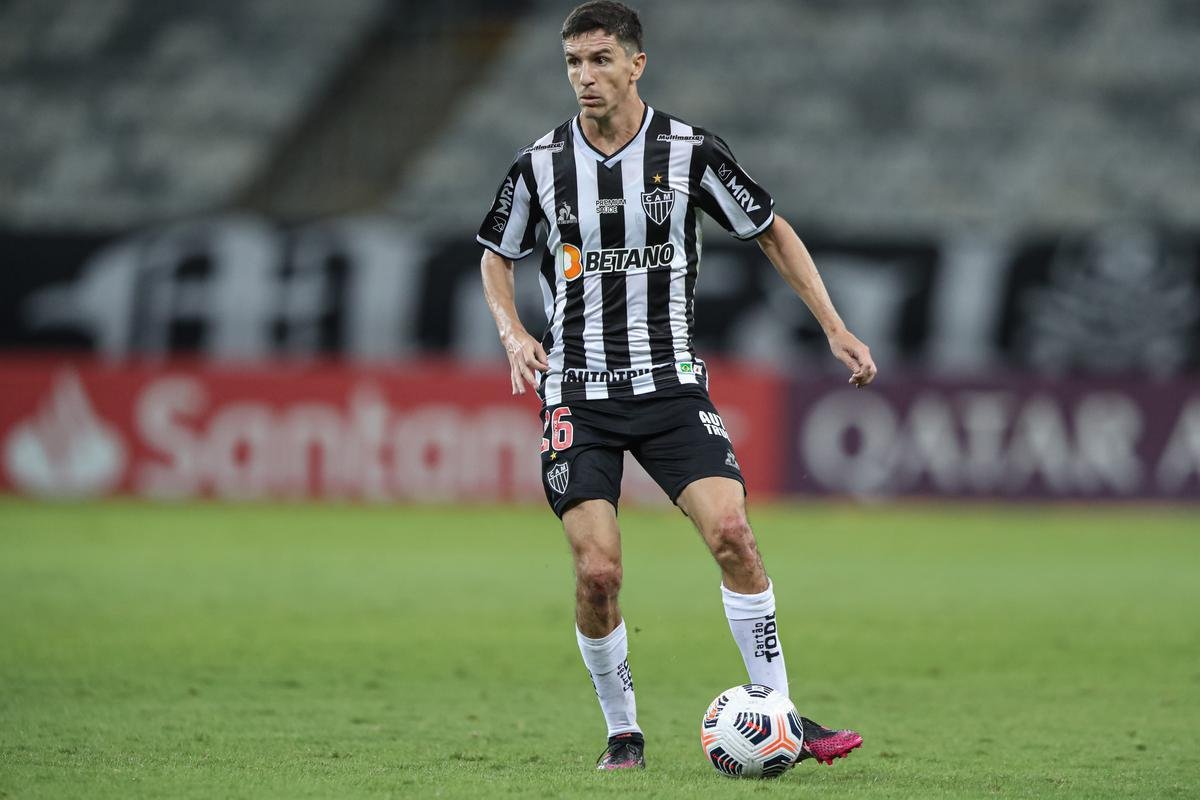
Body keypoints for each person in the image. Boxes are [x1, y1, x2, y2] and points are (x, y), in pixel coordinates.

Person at [477, 0, 876, 772]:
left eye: (599, 60)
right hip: (577, 392)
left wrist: (834, 325)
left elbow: (770, 229)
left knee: (733, 535)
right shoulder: (540, 163)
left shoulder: (690, 152)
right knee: (598, 573)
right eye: (572, 62)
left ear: (636, 65)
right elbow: (496, 250)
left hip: (670, 389)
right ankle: (623, 730)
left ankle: (782, 713)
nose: (584, 77)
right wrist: (513, 332)